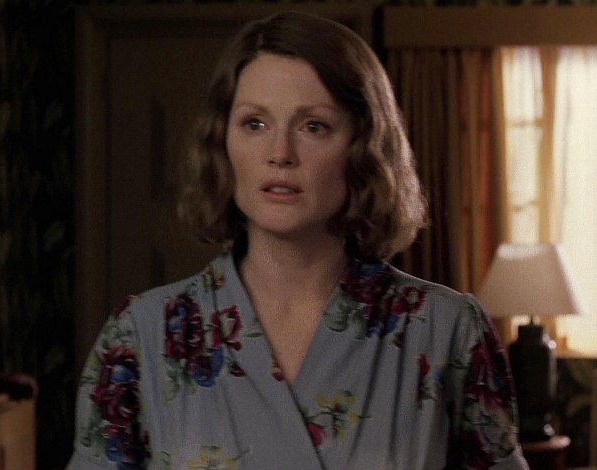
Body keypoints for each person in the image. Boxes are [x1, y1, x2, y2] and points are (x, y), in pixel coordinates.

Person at [67, 12, 528, 470]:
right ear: (223, 140)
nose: (280, 154)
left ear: (364, 145)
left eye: (314, 126)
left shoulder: (446, 332)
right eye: (255, 124)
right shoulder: (140, 338)